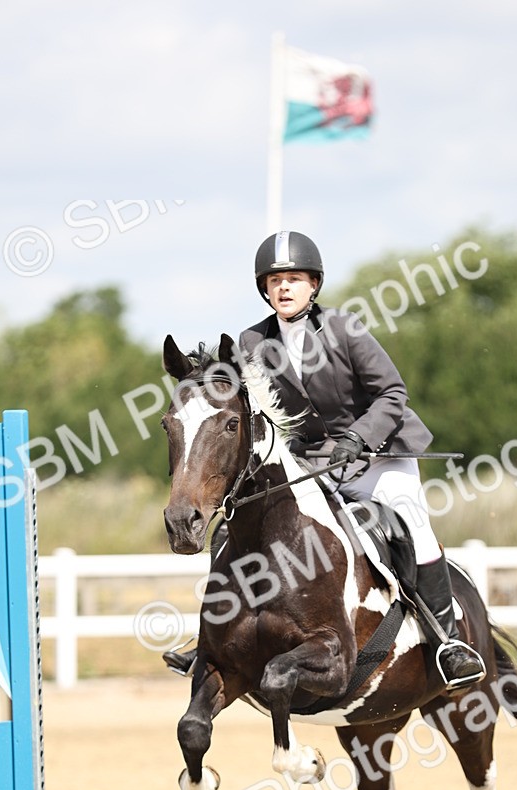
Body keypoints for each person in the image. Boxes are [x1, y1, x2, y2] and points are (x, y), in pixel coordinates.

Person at [165, 230, 485, 691]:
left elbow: (393, 393)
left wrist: (358, 437)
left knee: (411, 523)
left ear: (313, 284)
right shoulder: (252, 341)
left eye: (294, 279)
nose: (285, 288)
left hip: (377, 456)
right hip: (312, 463)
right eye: (275, 281)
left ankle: (447, 643)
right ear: (265, 289)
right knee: (241, 529)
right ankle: (212, 643)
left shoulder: (343, 329)